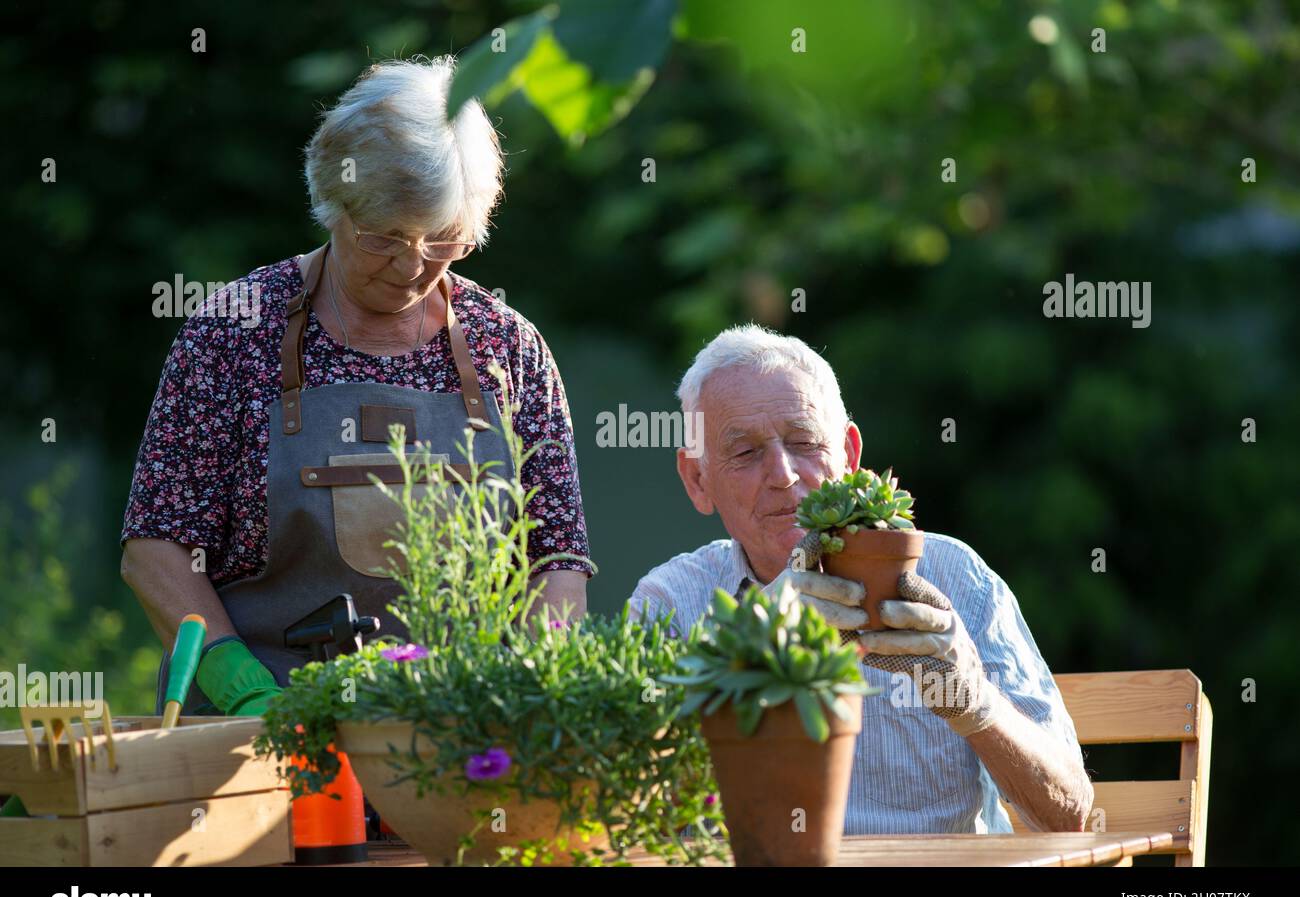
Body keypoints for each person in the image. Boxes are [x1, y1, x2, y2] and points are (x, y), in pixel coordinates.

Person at [121, 57, 595, 717]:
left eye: (444, 242)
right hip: (257, 745)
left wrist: (526, 697)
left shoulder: (507, 349)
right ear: (332, 201)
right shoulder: (234, 334)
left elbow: (556, 555)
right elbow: (156, 547)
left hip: (452, 746)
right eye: (385, 238)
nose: (412, 267)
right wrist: (238, 684)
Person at [629, 324, 1093, 833]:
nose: (783, 473)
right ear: (697, 479)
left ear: (849, 455)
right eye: (745, 452)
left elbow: (1070, 812)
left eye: (804, 440)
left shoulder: (953, 577)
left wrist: (974, 704)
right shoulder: (671, 602)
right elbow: (637, 809)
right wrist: (758, 645)